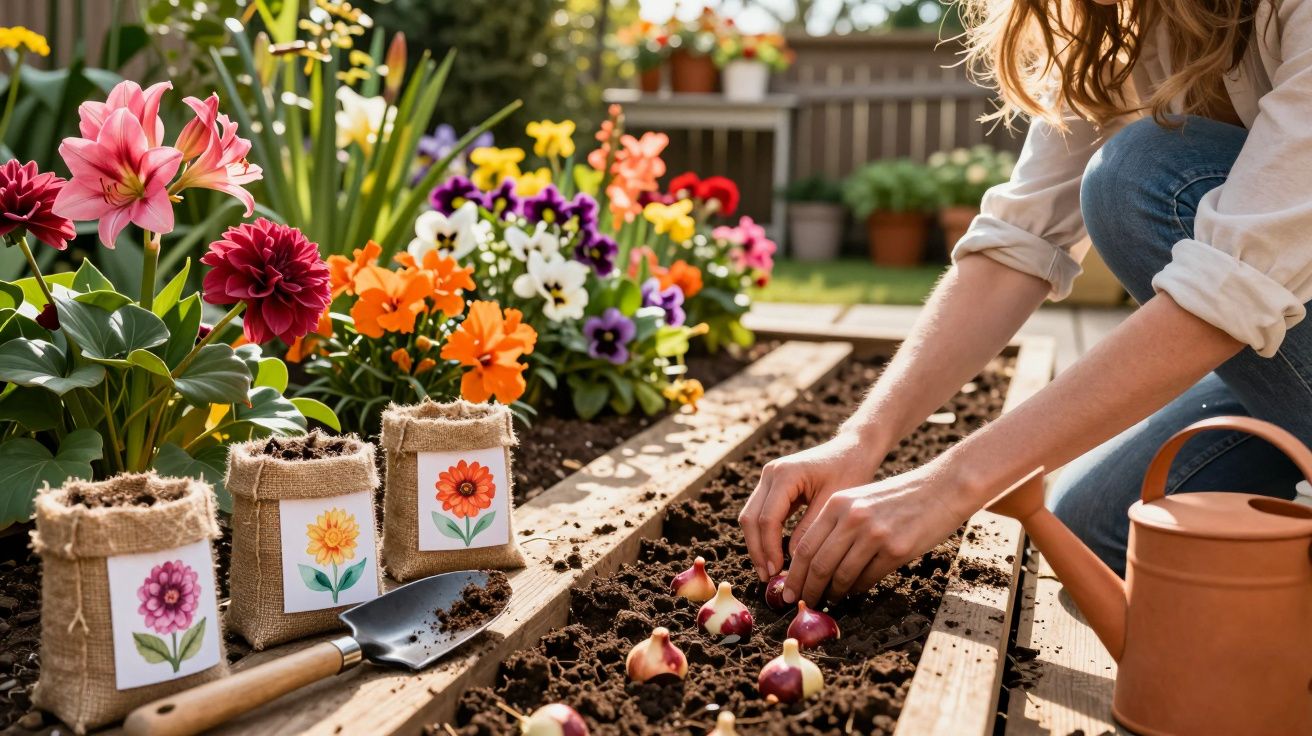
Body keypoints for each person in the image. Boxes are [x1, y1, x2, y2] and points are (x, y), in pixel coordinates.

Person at [740, 0, 1312, 607]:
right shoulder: (1126, 24)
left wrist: (948, 487)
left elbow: (1236, 284)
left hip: (1268, 307)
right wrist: (860, 438)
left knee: (1140, 176)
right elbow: (1019, 240)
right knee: (1094, 525)